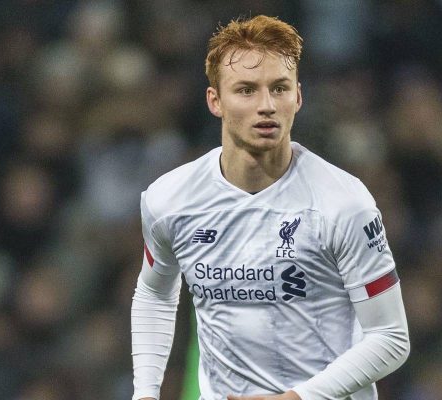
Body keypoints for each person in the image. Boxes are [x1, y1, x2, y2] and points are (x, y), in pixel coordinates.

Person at [131, 15, 410, 400]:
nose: (266, 106)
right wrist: (145, 392)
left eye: (278, 89)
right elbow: (155, 293)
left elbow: (391, 337)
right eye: (246, 90)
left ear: (298, 96)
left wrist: (298, 398)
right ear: (215, 101)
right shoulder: (170, 199)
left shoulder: (344, 203)